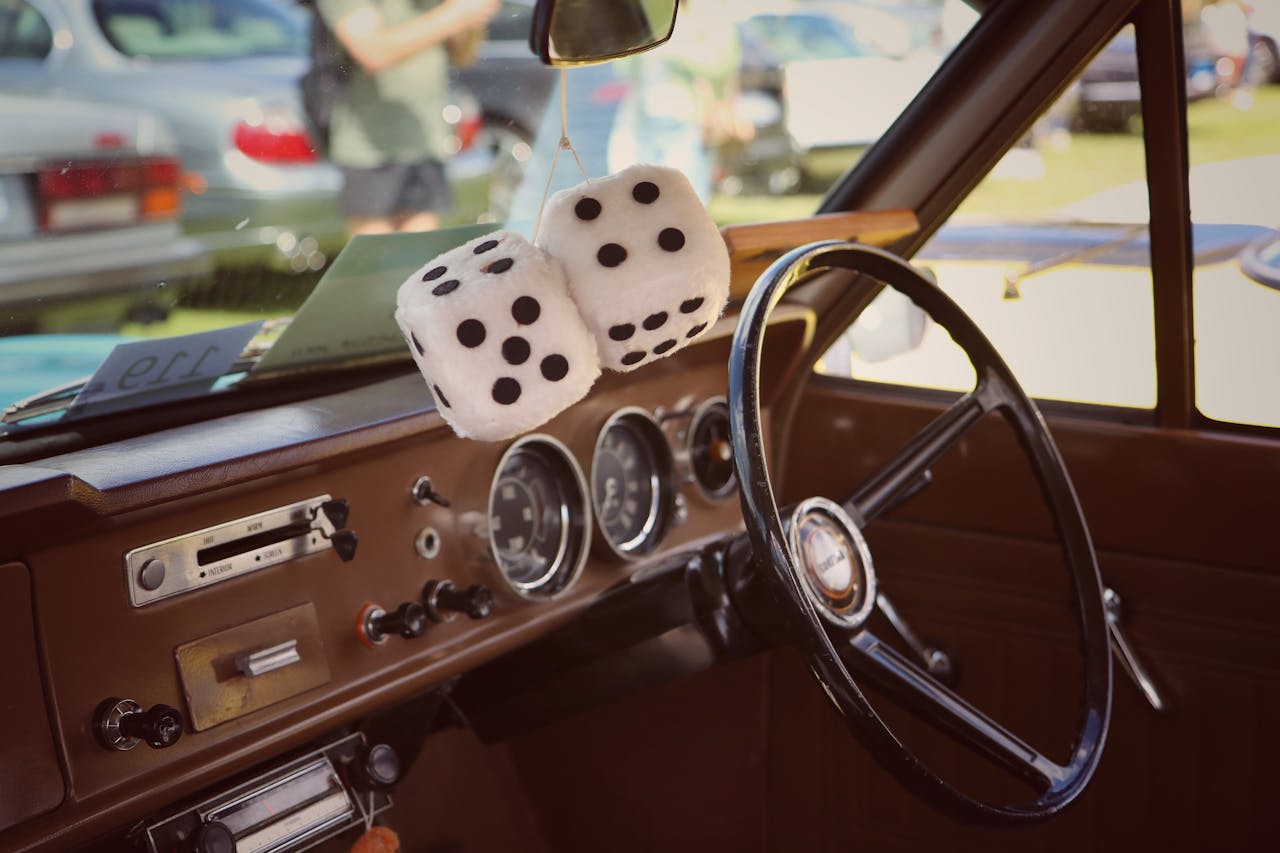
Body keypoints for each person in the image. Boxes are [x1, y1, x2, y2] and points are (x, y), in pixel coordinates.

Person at [317, 0, 500, 235]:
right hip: (369, 148)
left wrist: (471, 15)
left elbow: (464, 56)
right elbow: (372, 51)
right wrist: (453, 15)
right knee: (375, 262)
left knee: (421, 261)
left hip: (426, 140)